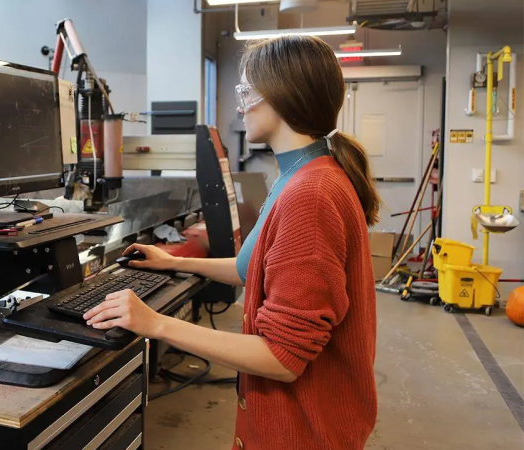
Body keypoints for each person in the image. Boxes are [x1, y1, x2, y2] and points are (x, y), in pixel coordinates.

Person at [84, 35, 379, 450]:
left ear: (281, 94)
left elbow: (282, 357)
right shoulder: (302, 174)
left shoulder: (308, 195)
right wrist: (172, 262)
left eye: (246, 91)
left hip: (304, 430)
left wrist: (155, 324)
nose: (240, 105)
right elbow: (250, 268)